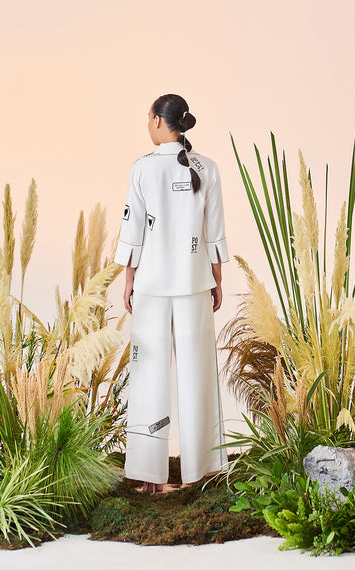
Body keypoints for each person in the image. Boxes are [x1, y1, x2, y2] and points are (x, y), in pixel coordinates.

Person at [114, 93, 229, 493]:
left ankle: (150, 477)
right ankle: (205, 470)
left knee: (149, 376)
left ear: (159, 122)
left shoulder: (142, 169)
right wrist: (216, 280)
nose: (148, 124)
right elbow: (214, 232)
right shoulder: (207, 167)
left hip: (151, 286)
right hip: (195, 285)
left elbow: (133, 231)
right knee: (198, 376)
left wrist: (129, 279)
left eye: (149, 118)